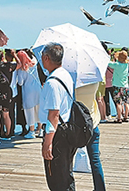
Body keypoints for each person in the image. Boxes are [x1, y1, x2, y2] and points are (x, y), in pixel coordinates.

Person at [39, 42, 76, 191]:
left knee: (57, 179)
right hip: (67, 130)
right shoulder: (65, 75)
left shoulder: (52, 83)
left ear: (46, 58)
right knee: (66, 176)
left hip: (57, 134)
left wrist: (47, 142)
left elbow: (54, 115)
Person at [75, 81, 105, 191]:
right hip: (92, 123)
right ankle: (100, 188)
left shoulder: (73, 84)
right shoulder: (94, 81)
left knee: (67, 159)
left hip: (76, 125)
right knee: (95, 159)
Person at [14, 50, 41, 138]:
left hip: (28, 92)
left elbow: (20, 83)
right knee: (38, 110)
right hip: (38, 89)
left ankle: (31, 131)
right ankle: (40, 129)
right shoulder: (34, 63)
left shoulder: (21, 70)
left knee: (30, 111)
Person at [108, 50, 129, 123]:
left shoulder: (116, 65)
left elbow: (109, 63)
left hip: (117, 85)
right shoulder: (127, 65)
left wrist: (109, 56)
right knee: (126, 102)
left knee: (118, 103)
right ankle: (126, 117)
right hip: (125, 86)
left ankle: (119, 118)